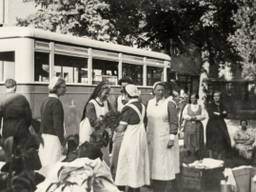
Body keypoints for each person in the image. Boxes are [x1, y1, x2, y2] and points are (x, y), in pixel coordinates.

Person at [115, 84, 150, 192]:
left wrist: (113, 126)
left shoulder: (128, 108)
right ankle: (135, 186)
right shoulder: (143, 106)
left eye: (123, 94)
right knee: (137, 162)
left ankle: (126, 186)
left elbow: (121, 128)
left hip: (131, 137)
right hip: (140, 136)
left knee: (127, 161)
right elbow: (144, 122)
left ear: (127, 94)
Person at [147, 82, 179, 192]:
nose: (160, 92)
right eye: (158, 90)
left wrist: (171, 138)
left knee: (163, 165)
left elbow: (174, 122)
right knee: (153, 163)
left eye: (162, 90)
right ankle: (154, 185)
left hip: (164, 138)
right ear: (154, 90)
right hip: (152, 137)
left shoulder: (169, 103)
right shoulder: (150, 103)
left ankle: (163, 187)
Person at [80, 81, 112, 166]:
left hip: (102, 132)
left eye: (108, 94)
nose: (107, 96)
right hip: (91, 132)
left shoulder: (106, 103)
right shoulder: (91, 104)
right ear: (99, 91)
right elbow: (93, 122)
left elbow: (111, 114)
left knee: (104, 155)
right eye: (106, 93)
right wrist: (105, 121)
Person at [39, 76, 66, 167]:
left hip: (44, 138)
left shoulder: (45, 100)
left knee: (45, 165)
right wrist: (62, 142)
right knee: (53, 165)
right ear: (56, 88)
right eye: (63, 87)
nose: (65, 89)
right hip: (53, 139)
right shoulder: (56, 103)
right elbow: (58, 125)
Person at [111, 77, 133, 179]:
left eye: (125, 86)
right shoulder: (118, 98)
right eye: (121, 86)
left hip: (130, 130)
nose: (123, 88)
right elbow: (115, 113)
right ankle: (115, 174)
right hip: (120, 128)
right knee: (116, 152)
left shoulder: (135, 98)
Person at [0, 78, 32, 143]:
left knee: (9, 151)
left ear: (6, 87)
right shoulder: (22, 98)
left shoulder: (2, 100)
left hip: (7, 131)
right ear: (15, 87)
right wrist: (25, 127)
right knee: (21, 151)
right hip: (21, 130)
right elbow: (28, 117)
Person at [206, 91, 231, 159]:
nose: (216, 97)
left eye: (217, 96)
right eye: (214, 96)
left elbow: (226, 114)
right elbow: (211, 114)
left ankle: (219, 157)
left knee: (221, 140)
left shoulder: (222, 105)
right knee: (212, 140)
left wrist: (219, 114)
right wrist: (221, 114)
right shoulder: (210, 105)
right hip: (212, 124)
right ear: (213, 97)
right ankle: (210, 158)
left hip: (221, 124)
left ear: (220, 97)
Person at [182, 93, 206, 161]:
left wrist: (196, 117)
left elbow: (203, 115)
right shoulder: (187, 106)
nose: (192, 99)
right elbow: (184, 115)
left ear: (197, 98)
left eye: (194, 98)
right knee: (189, 137)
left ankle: (197, 152)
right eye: (191, 98)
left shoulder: (201, 106)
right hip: (189, 124)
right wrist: (190, 117)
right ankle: (188, 151)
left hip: (197, 125)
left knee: (197, 138)